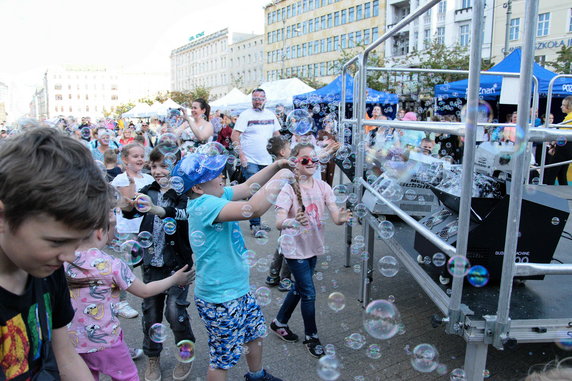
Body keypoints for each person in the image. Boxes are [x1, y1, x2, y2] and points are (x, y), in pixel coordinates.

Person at [0, 127, 113, 379]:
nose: (69, 257)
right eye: (56, 241)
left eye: (76, 243)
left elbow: (66, 356)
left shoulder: (49, 271)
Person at [174, 151, 293, 381]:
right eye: (215, 175)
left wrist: (277, 165)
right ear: (198, 188)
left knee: (254, 334)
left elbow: (249, 186)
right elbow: (253, 209)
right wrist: (284, 176)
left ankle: (257, 376)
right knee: (223, 358)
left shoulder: (214, 195)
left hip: (238, 289)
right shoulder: (203, 205)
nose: (222, 177)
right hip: (220, 298)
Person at [65, 211, 194, 381]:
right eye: (113, 226)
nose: (116, 229)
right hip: (107, 342)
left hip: (71, 344)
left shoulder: (62, 261)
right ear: (99, 232)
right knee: (127, 377)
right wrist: (175, 279)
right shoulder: (112, 265)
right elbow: (145, 291)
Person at [122, 144, 196, 381]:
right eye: (153, 166)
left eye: (164, 165)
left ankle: (186, 351)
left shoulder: (185, 194)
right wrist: (126, 206)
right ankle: (153, 357)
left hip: (177, 265)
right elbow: (131, 212)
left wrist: (157, 209)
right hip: (151, 263)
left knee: (175, 313)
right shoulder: (148, 189)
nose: (158, 171)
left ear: (176, 166)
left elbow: (181, 216)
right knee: (151, 312)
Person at [270, 143, 351, 358]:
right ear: (295, 163)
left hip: (313, 247)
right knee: (308, 293)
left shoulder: (323, 186)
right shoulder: (288, 190)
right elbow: (278, 222)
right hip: (294, 249)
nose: (311, 163)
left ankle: (279, 322)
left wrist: (341, 219)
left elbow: (335, 215)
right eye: (305, 159)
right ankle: (311, 337)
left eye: (314, 159)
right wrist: (291, 220)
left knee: (298, 288)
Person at [112, 143, 155, 318]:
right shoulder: (120, 179)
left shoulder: (149, 179)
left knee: (149, 264)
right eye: (135, 156)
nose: (139, 159)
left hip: (146, 228)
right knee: (126, 267)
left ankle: (150, 295)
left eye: (141, 156)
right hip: (127, 229)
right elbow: (121, 204)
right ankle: (120, 302)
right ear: (124, 159)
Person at [231, 88, 281, 236]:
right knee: (253, 191)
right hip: (250, 159)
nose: (257, 101)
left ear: (265, 99)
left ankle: (258, 221)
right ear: (251, 100)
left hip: (267, 160)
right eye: (254, 98)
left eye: (260, 98)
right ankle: (255, 225)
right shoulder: (246, 115)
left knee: (265, 192)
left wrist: (280, 154)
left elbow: (277, 135)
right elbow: (235, 136)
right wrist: (241, 155)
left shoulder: (271, 115)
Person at [264, 136, 293, 291]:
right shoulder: (285, 168)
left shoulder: (276, 166)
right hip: (288, 210)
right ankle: (285, 279)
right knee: (289, 243)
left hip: (283, 208)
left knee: (282, 243)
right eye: (289, 148)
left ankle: (273, 275)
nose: (291, 150)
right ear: (282, 152)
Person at [544, 96, 572, 185]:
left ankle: (546, 192)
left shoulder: (570, 117)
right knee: (561, 174)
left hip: (565, 147)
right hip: (568, 147)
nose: (561, 107)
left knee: (550, 172)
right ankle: (565, 193)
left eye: (563, 105)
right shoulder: (569, 117)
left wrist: (553, 144)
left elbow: (562, 134)